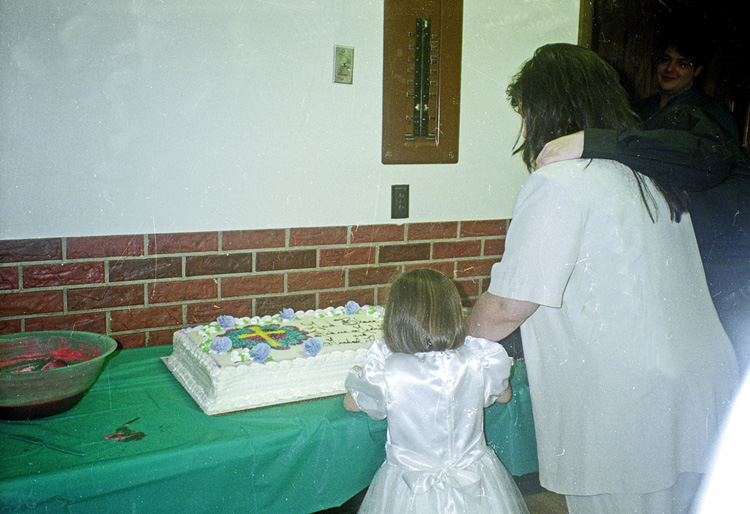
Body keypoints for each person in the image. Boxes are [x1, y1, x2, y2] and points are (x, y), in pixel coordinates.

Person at [468, 43, 739, 514]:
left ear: (548, 111)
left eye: (527, 114)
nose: (526, 129)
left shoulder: (558, 182)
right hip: (698, 386)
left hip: (628, 405)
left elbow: (508, 307)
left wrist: (452, 337)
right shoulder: (651, 174)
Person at [343, 268, 529, 514]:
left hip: (410, 488)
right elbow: (504, 395)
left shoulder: (388, 369)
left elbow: (352, 403)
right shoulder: (476, 360)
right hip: (473, 480)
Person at [636, 28, 740, 142]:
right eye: (665, 60)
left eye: (682, 64)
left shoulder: (714, 114)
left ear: (697, 70)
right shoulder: (641, 108)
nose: (670, 68)